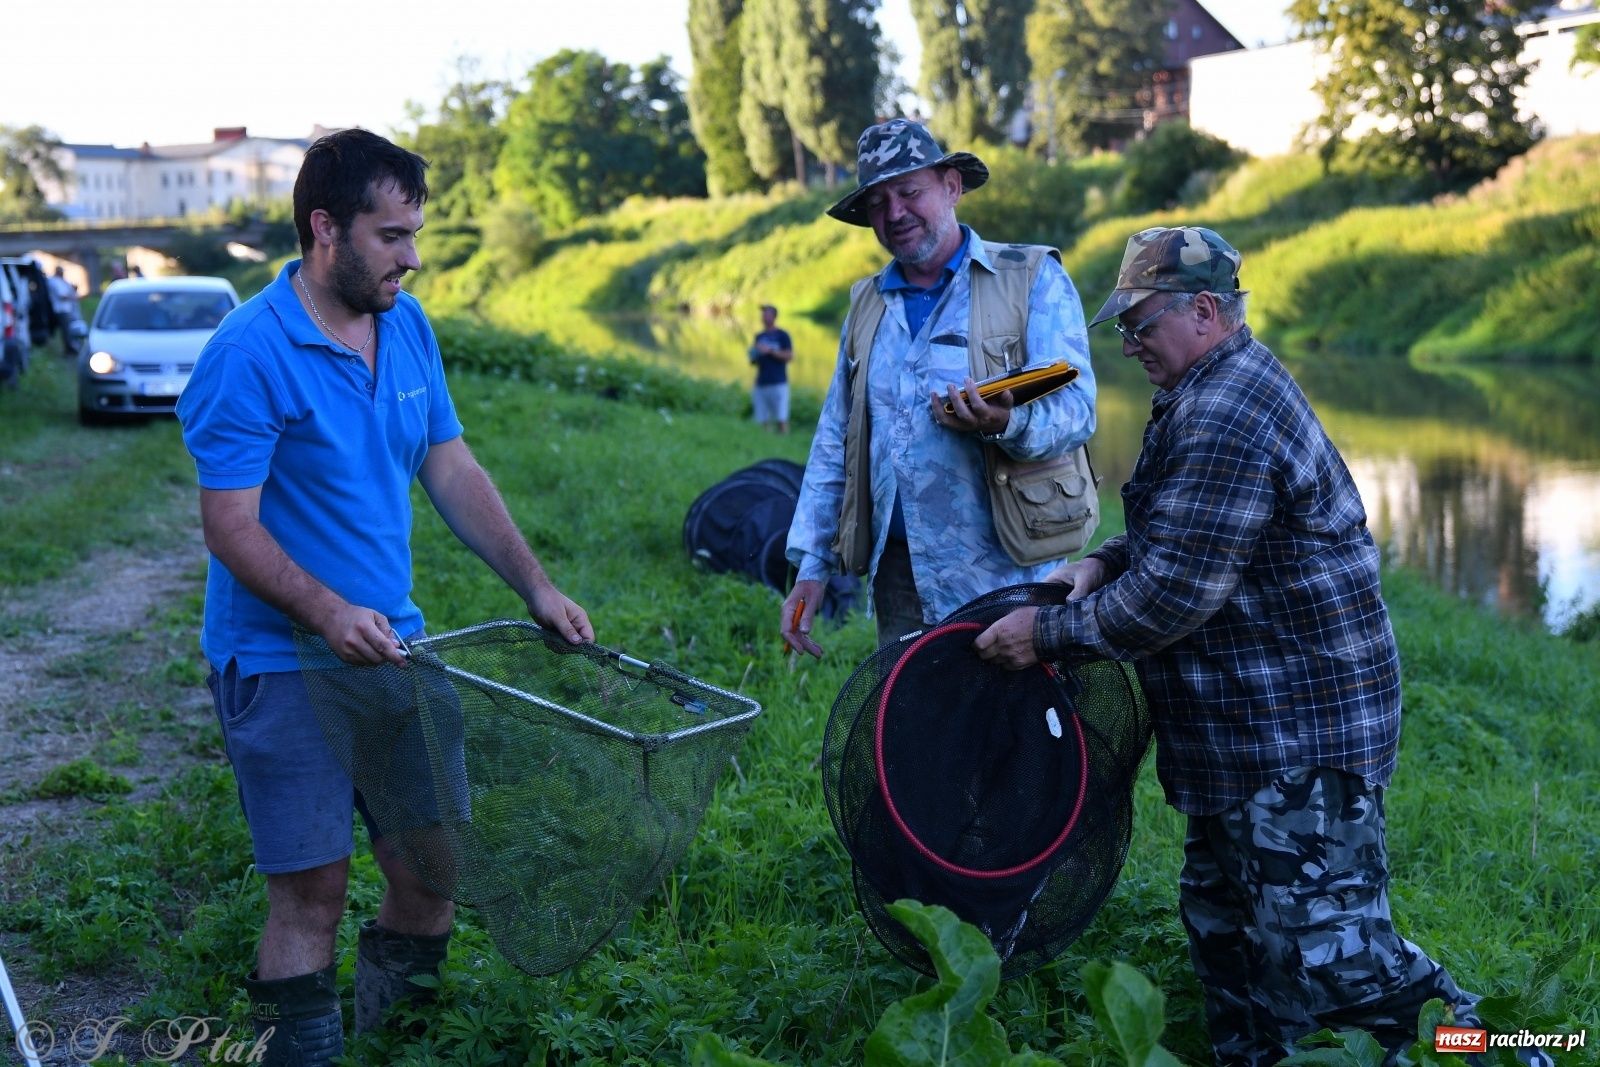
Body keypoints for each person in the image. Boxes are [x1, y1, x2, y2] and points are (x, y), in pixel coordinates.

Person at [972, 227, 1498, 1067]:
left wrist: (1044, 635)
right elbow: (1173, 537)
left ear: (1205, 311)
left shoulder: (1229, 408)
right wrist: (1100, 561)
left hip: (1296, 736)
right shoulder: (1200, 387)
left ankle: (1510, 1048)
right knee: (1231, 938)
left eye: (1138, 324)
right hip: (1236, 738)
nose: (1128, 342)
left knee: (1346, 964)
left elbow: (1174, 596)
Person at [176, 129, 592, 1067]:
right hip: (283, 661)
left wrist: (535, 585)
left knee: (433, 867)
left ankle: (399, 1044)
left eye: (416, 233)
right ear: (326, 228)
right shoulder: (247, 352)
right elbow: (230, 527)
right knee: (313, 893)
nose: (412, 256)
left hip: (398, 650)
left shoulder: (406, 324)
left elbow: (448, 462)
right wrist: (324, 611)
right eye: (393, 234)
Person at [781, 119, 1097, 653]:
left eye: (909, 192)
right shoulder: (866, 302)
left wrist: (1008, 422)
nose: (894, 213)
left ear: (951, 187)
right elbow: (835, 438)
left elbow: (1078, 410)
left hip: (1010, 575)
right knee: (914, 728)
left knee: (1014, 730)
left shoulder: (1030, 276)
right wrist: (812, 564)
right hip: (899, 576)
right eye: (877, 203)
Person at [749, 304, 793, 433]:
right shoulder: (759, 336)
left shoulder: (783, 335)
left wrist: (770, 351)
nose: (764, 316)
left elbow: (789, 355)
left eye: (767, 314)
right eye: (763, 314)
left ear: (774, 317)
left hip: (778, 382)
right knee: (764, 418)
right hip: (762, 381)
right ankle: (767, 440)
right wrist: (754, 355)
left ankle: (784, 440)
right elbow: (755, 361)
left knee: (781, 417)